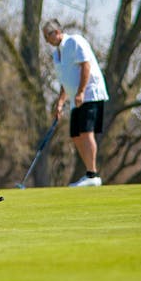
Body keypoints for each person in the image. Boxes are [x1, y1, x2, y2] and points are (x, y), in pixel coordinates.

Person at [42, 18, 109, 186]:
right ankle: (89, 174)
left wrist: (80, 92)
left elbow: (86, 66)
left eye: (47, 36)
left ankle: (93, 175)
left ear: (56, 32)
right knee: (76, 136)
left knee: (86, 133)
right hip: (74, 99)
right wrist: (60, 102)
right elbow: (66, 80)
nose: (46, 41)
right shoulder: (56, 54)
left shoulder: (75, 41)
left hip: (90, 94)